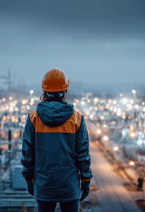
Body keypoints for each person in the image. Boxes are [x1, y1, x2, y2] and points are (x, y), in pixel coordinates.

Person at [21, 68, 93, 212]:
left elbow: (27, 154)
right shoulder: (77, 119)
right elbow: (83, 155)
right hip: (69, 187)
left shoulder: (33, 118)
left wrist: (29, 180)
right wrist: (86, 182)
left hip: (44, 186)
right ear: (65, 91)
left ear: (44, 91)